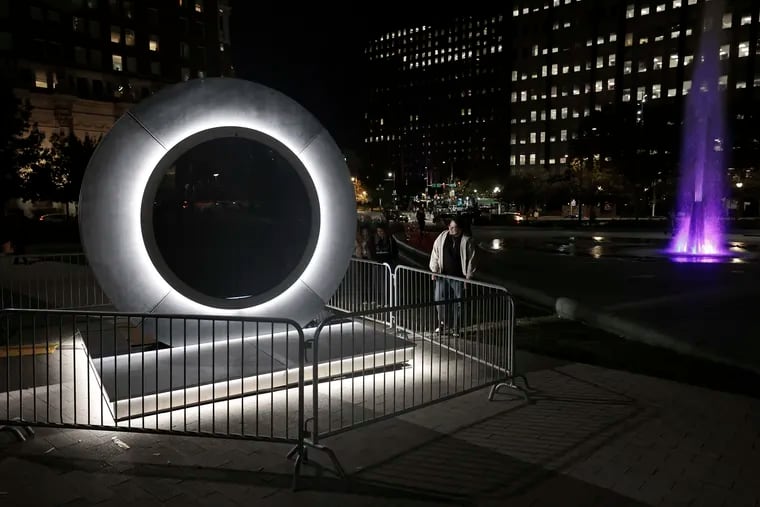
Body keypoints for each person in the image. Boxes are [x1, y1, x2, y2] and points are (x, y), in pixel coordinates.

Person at [428, 216, 477, 336]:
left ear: (459, 228)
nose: (451, 229)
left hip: (459, 277)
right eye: (450, 226)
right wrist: (434, 270)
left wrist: (468, 277)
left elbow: (472, 260)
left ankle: (456, 327)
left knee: (458, 303)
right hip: (442, 276)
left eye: (454, 227)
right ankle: (443, 323)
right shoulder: (443, 236)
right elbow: (435, 253)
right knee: (439, 300)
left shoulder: (467, 240)